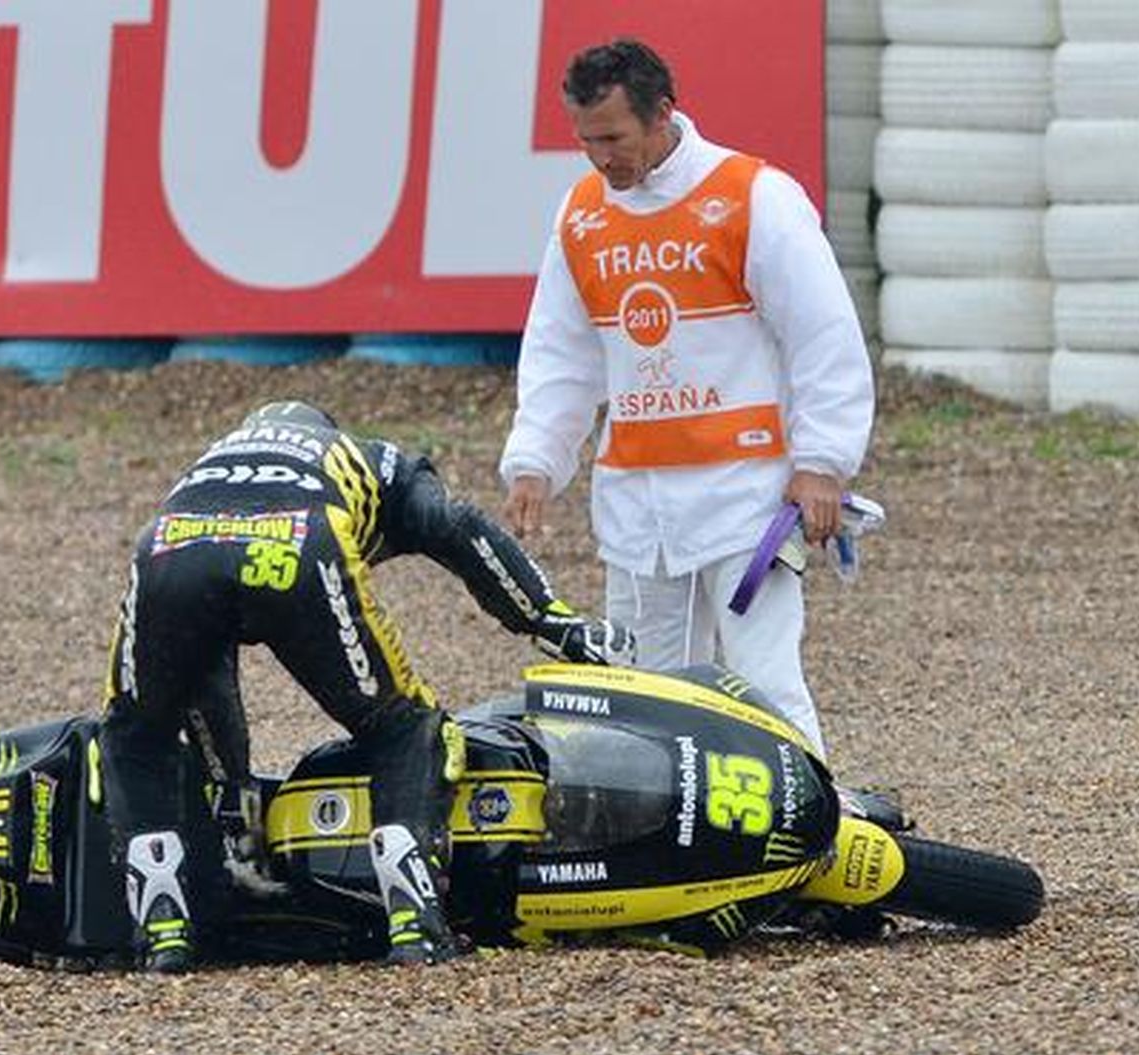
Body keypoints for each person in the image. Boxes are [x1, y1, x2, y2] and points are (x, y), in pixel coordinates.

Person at [100, 399, 633, 971]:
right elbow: (459, 528)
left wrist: (234, 787)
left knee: (135, 737)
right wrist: (551, 622)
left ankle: (165, 932)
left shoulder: (209, 463)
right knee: (405, 728)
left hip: (168, 550)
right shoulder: (371, 458)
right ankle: (415, 923)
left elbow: (205, 667)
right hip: (299, 549)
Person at [499, 39, 875, 758]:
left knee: (764, 680)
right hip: (637, 504)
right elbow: (561, 350)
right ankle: (655, 848)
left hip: (748, 495)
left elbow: (823, 332)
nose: (600, 158)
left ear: (662, 113)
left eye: (612, 138)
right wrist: (536, 461)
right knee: (639, 688)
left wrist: (824, 462)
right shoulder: (581, 215)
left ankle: (814, 833)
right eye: (585, 141)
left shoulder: (752, 194)